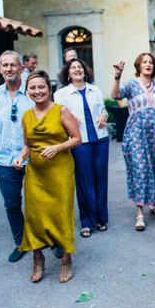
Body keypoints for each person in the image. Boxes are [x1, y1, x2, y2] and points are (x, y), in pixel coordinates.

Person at [13, 71, 81, 283]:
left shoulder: (61, 111)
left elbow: (77, 138)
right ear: (27, 91)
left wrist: (58, 147)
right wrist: (20, 156)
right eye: (32, 88)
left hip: (60, 171)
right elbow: (27, 144)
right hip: (36, 173)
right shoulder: (26, 115)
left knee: (61, 213)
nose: (37, 91)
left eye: (41, 87)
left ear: (49, 89)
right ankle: (38, 257)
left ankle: (66, 259)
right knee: (34, 216)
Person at [0, 51, 35, 263]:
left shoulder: (33, 91)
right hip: (4, 159)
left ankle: (52, 239)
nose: (9, 69)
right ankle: (21, 242)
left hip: (33, 158)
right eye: (5, 65)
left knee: (39, 202)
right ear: (0, 69)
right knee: (11, 204)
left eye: (13, 65)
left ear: (21, 68)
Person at [54, 59, 109, 238]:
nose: (77, 70)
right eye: (73, 68)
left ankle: (101, 219)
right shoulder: (61, 94)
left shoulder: (96, 90)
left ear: (85, 71)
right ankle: (87, 221)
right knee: (84, 181)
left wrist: (104, 115)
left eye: (80, 67)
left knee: (100, 180)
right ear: (68, 73)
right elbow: (58, 118)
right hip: (79, 141)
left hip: (100, 138)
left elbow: (103, 110)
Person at [112, 54, 155, 231]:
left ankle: (154, 205)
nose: (148, 64)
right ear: (138, 65)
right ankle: (139, 212)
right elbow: (115, 95)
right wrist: (117, 77)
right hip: (136, 132)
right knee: (140, 168)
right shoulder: (131, 84)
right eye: (145, 62)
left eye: (151, 62)